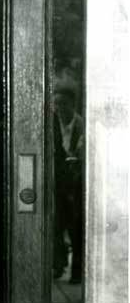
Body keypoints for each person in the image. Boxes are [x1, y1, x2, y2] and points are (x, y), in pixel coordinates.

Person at [52, 83, 84, 284]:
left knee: (75, 227)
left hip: (76, 183)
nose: (59, 108)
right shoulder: (53, 123)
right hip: (59, 182)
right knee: (57, 223)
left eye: (63, 103)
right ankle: (59, 263)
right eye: (56, 104)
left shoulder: (82, 125)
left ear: (73, 104)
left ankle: (77, 271)